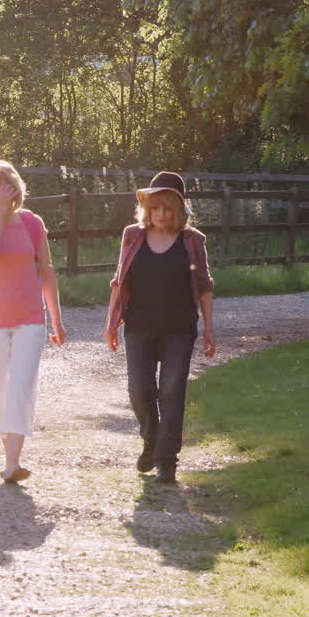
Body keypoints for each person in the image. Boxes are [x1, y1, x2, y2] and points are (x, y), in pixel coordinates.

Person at [105, 171, 215, 485]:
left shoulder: (193, 241)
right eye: (155, 208)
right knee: (139, 390)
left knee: (171, 391)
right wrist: (111, 323)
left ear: (179, 210)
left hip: (179, 328)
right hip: (138, 326)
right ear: (147, 209)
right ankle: (151, 438)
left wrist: (209, 328)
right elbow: (120, 280)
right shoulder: (132, 235)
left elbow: (204, 286)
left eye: (167, 208)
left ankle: (167, 461)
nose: (161, 214)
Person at [0, 160, 67, 484]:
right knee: (0, 389)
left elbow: (46, 271)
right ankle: (9, 455)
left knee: (22, 385)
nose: (2, 199)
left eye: (8, 192)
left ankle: (13, 462)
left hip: (30, 320)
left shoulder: (32, 223)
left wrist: (56, 319)